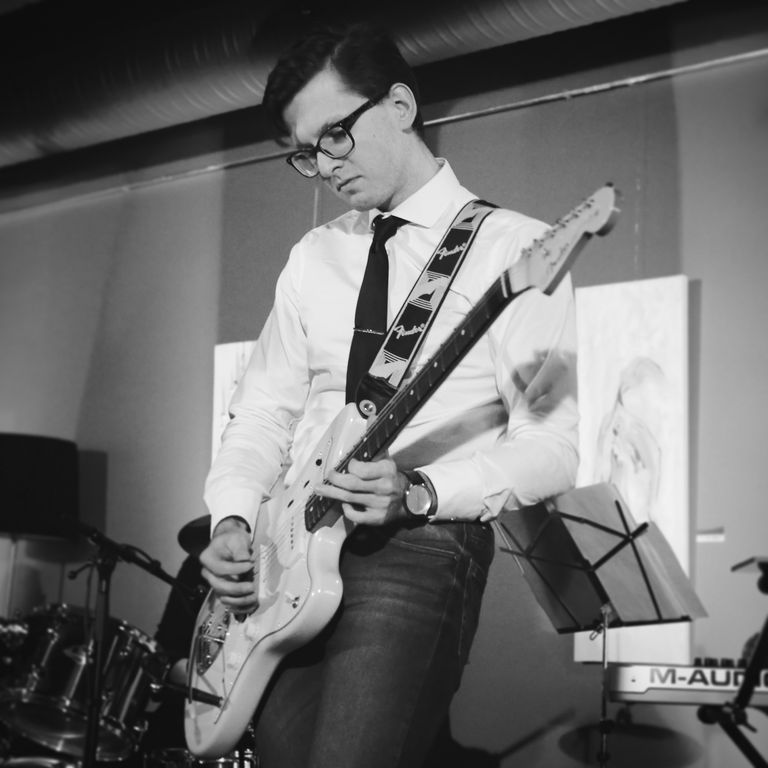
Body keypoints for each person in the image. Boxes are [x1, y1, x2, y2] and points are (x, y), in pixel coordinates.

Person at [198, 21, 578, 768]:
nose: (324, 164)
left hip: (415, 549)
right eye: (304, 153)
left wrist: (423, 491)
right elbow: (262, 413)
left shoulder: (513, 250)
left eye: (335, 135)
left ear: (400, 106)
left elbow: (553, 448)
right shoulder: (314, 256)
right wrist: (233, 517)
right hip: (287, 553)